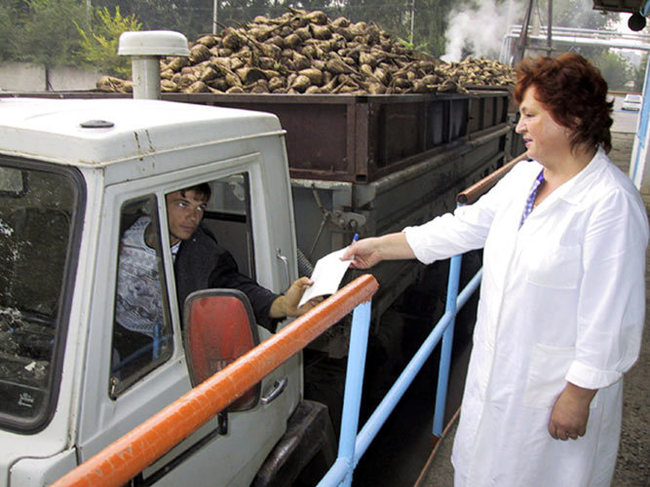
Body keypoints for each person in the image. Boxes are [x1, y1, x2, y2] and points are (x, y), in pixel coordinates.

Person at [342, 53, 648, 487]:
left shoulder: (610, 205)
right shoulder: (527, 179)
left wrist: (579, 396)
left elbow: (613, 317)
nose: (519, 127)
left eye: (529, 115)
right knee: (483, 471)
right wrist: (382, 247)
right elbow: (460, 229)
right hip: (499, 379)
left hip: (552, 391)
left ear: (573, 117)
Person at [115, 183, 315, 360]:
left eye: (200, 207)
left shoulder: (205, 255)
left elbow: (236, 287)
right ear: (156, 203)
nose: (193, 216)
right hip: (110, 330)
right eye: (182, 204)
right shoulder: (125, 227)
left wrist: (281, 305)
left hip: (151, 349)